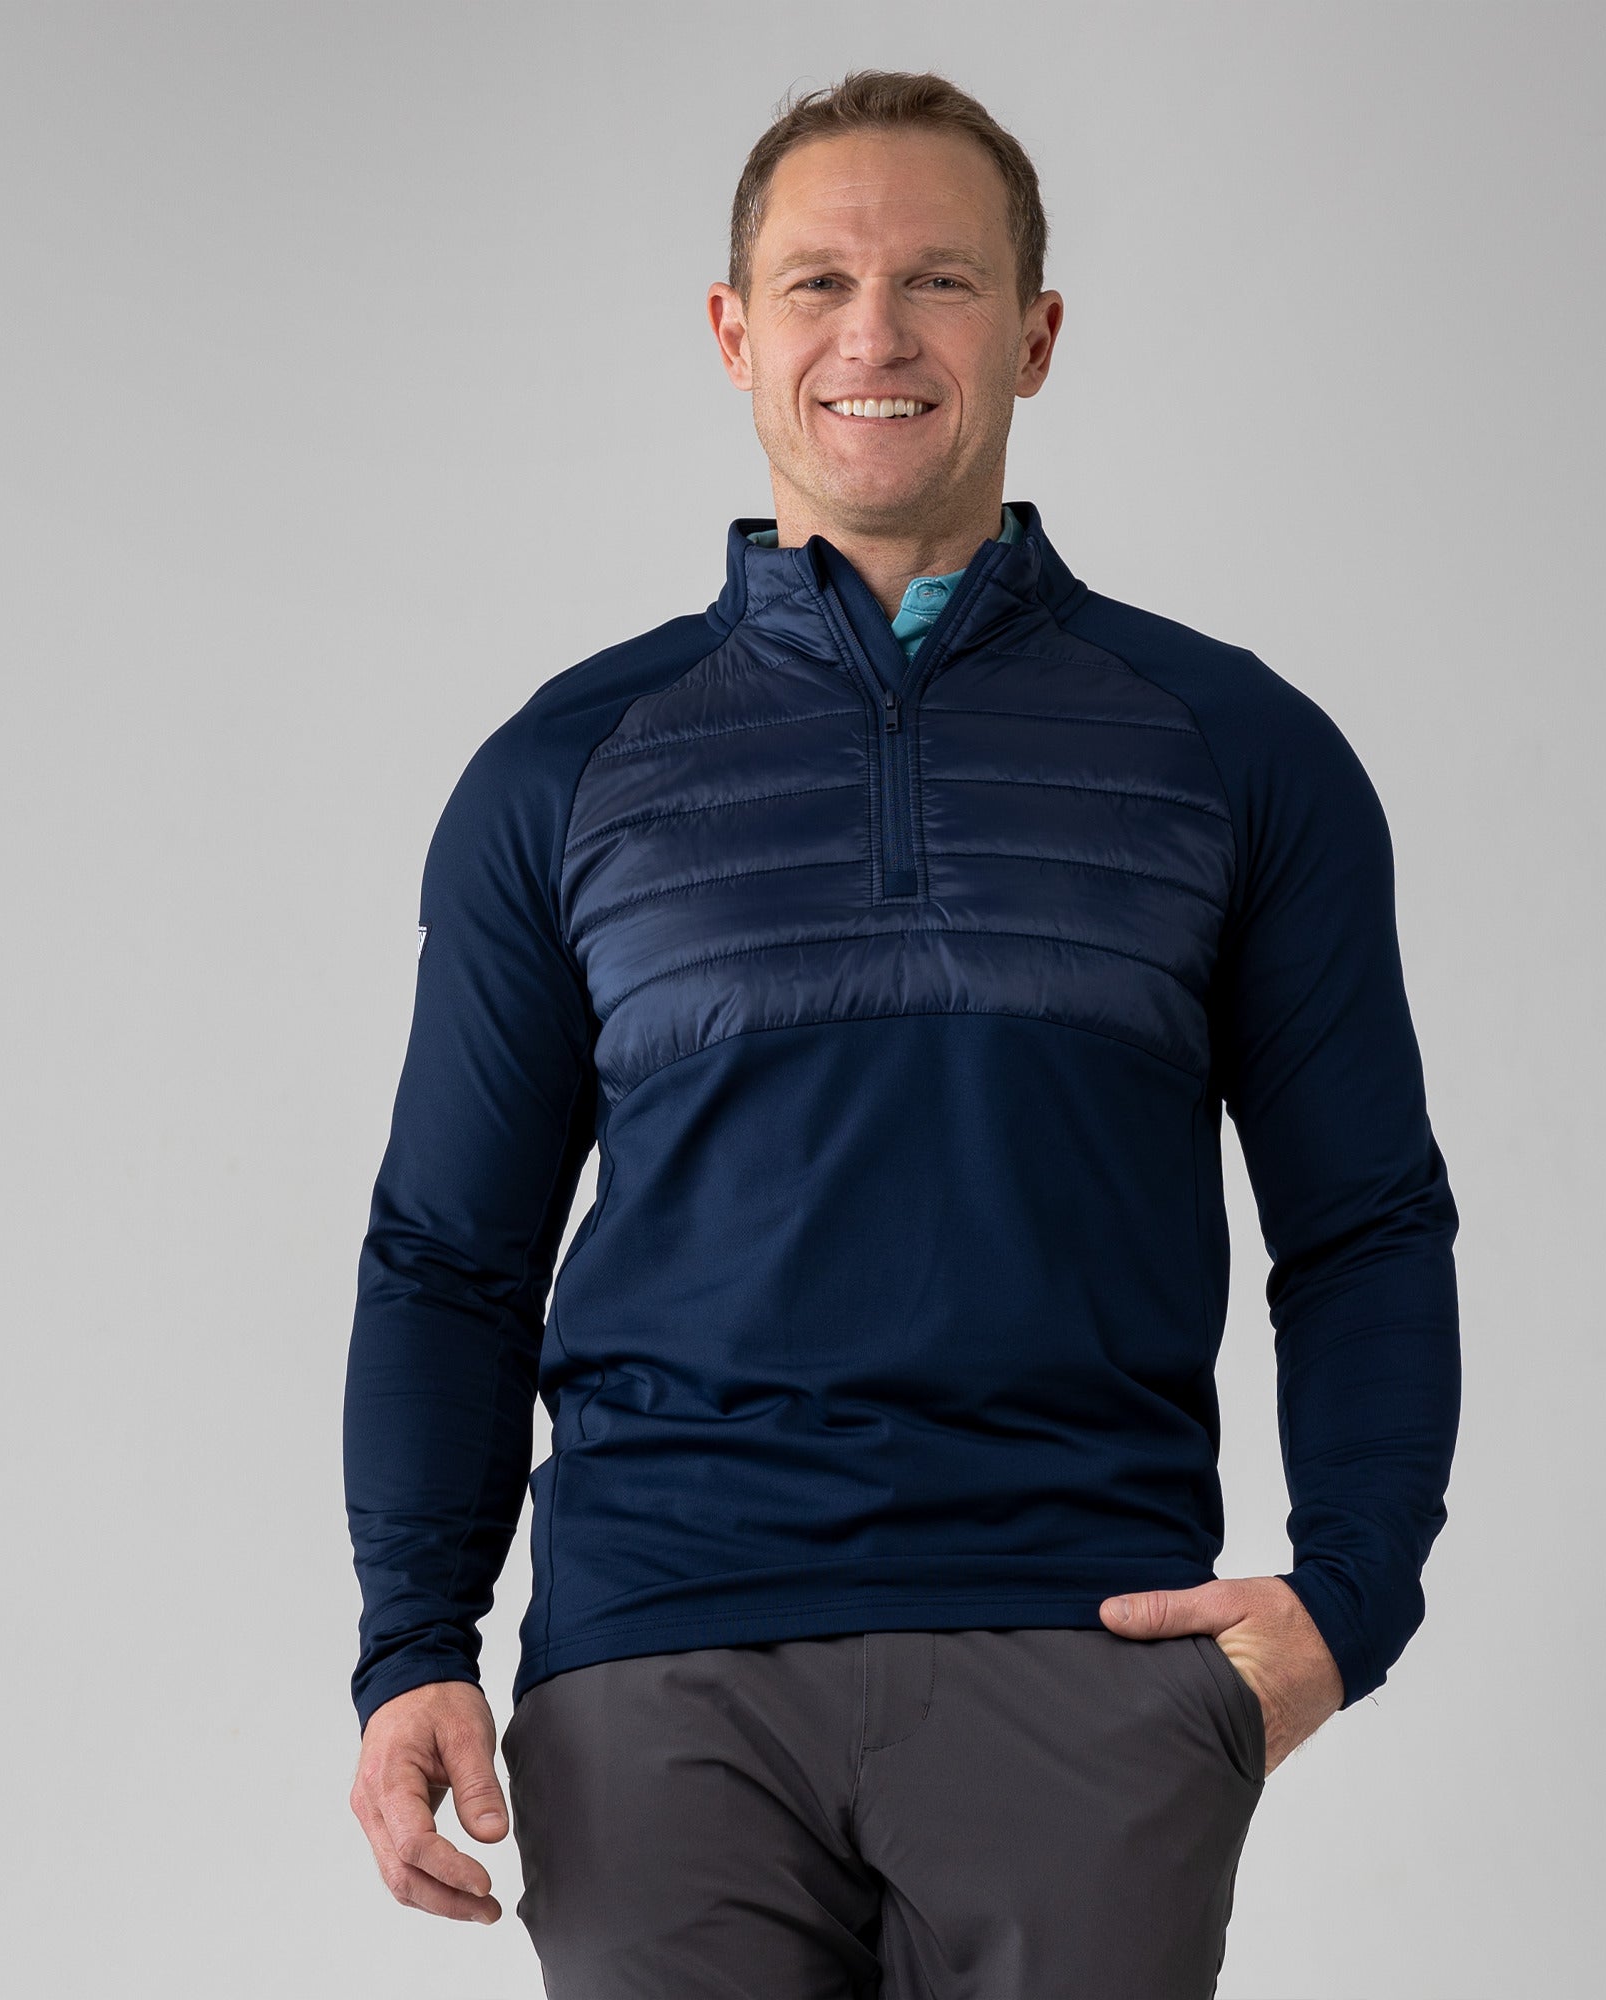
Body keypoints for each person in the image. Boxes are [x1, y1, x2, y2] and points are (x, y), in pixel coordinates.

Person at [343, 68, 1460, 1999]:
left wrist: (1346, 1603)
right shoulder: (563, 771)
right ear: (734, 333)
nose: (874, 335)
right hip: (657, 1662)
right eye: (819, 283)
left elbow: (1363, 1223)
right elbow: (449, 1256)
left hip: (1085, 1650)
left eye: (940, 280)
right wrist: (412, 1642)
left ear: (1034, 333)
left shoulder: (1234, 750)